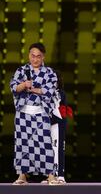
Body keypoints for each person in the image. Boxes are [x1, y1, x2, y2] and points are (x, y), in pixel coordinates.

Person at [10, 42, 59, 185]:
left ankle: (51, 175)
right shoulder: (21, 70)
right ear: (29, 55)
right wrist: (23, 85)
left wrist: (32, 89)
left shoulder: (50, 73)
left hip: (40, 112)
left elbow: (49, 91)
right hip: (23, 113)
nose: (35, 59)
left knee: (44, 144)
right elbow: (14, 87)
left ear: (43, 57)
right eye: (33, 56)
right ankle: (22, 176)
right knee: (22, 144)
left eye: (38, 56)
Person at [41, 70, 73, 184]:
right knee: (48, 150)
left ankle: (60, 175)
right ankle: (50, 176)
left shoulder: (61, 93)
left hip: (58, 123)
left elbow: (61, 110)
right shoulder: (44, 92)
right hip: (47, 122)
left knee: (59, 148)